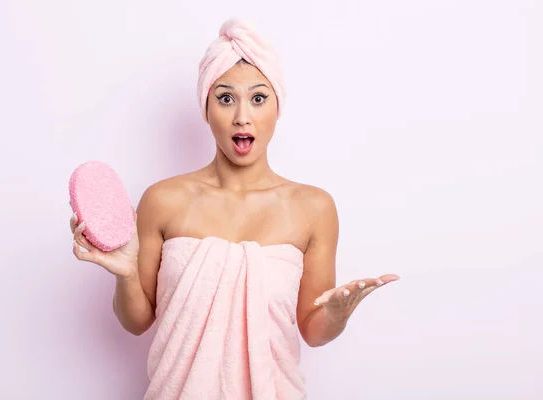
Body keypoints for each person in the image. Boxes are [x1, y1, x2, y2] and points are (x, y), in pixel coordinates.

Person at [70, 18, 399, 399]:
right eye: (225, 98)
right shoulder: (163, 200)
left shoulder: (313, 207)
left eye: (258, 98)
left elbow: (312, 328)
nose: (243, 116)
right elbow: (137, 321)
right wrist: (126, 274)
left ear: (278, 108)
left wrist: (338, 315)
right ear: (205, 108)